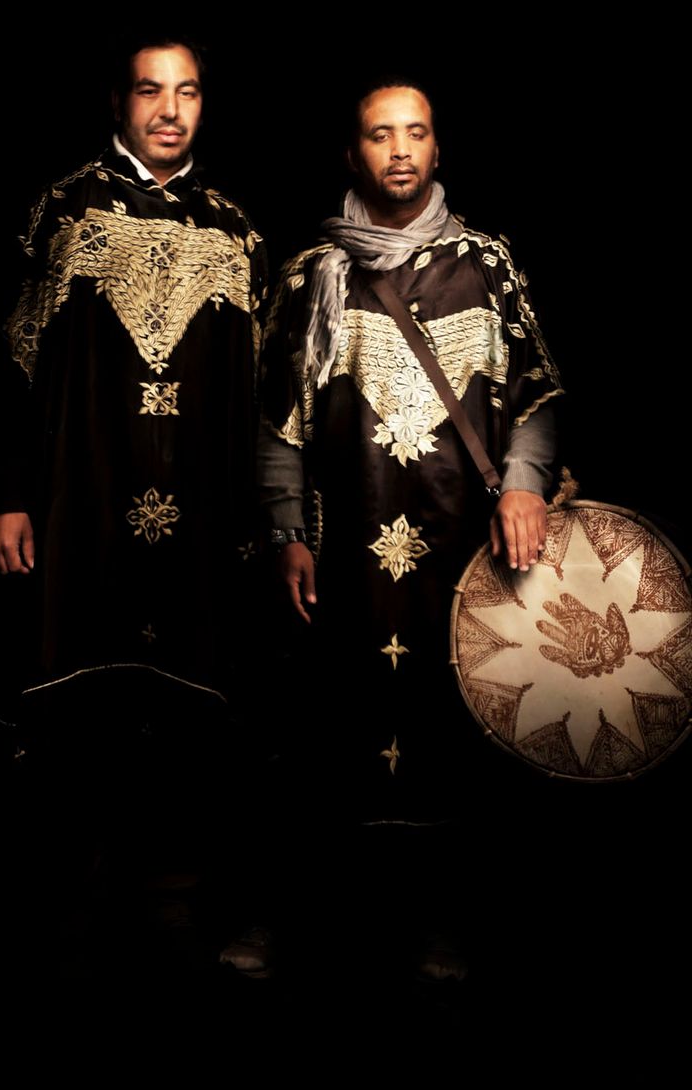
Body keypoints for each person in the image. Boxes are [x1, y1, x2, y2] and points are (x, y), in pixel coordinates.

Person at [256, 75, 563, 980]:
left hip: (467, 555)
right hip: (345, 553)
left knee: (454, 730)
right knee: (329, 729)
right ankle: (319, 932)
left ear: (437, 150)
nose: (399, 150)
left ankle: (447, 929)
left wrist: (523, 485)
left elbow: (538, 392)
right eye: (380, 135)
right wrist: (286, 532)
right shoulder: (312, 274)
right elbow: (276, 421)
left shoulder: (488, 262)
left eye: (415, 133)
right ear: (354, 154)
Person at [0, 35, 267, 967]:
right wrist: (11, 494)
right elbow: (16, 362)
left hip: (198, 505)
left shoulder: (231, 227)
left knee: (187, 686)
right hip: (84, 498)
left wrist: (258, 516)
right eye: (152, 91)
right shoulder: (66, 206)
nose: (171, 110)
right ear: (119, 101)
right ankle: (74, 881)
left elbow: (255, 392)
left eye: (188, 92)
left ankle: (172, 884)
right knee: (80, 682)